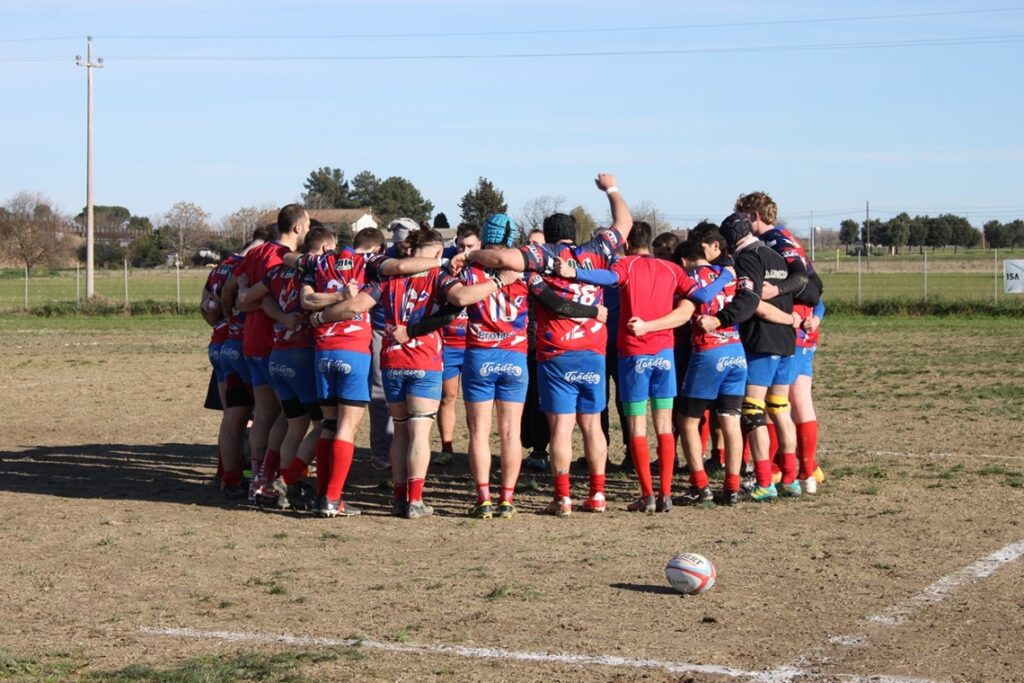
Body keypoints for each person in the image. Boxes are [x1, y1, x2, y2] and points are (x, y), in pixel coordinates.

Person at [465, 173, 632, 517]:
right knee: (593, 425)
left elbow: (503, 262)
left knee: (561, 428)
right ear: (575, 231)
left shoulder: (541, 255)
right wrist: (611, 189)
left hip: (556, 354)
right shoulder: (598, 250)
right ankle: (598, 495)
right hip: (593, 352)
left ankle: (563, 498)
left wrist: (471, 255)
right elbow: (625, 222)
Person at [442, 214, 605, 519]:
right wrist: (592, 311)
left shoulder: (468, 269)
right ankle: (507, 499)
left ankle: (483, 499)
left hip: (479, 354)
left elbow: (450, 308)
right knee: (510, 432)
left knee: (478, 432)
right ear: (511, 239)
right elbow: (557, 303)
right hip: (514, 357)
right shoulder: (525, 271)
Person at [287, 227, 458, 517]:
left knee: (330, 426)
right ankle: (338, 498)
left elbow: (292, 263)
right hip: (362, 352)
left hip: (329, 351)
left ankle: (315, 492)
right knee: (365, 429)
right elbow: (451, 294)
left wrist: (318, 316)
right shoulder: (374, 265)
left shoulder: (320, 262)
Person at [562, 223, 732, 512]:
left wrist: (575, 272)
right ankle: (665, 493)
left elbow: (605, 277)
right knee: (665, 425)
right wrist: (725, 277)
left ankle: (647, 495)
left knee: (637, 426)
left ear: (626, 244)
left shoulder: (626, 265)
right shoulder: (671, 269)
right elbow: (703, 297)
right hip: (665, 356)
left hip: (634, 357)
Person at [695, 212, 803, 502]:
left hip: (762, 341)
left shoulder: (747, 258)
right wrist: (792, 320)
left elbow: (752, 303)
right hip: (786, 344)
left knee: (753, 412)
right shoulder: (775, 254)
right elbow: (800, 288)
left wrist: (719, 319)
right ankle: (791, 479)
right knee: (780, 409)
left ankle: (765, 482)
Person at [222, 204, 310, 501]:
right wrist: (282, 316)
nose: (308, 232)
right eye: (308, 227)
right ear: (298, 227)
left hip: (251, 343)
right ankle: (271, 479)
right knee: (286, 417)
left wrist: (236, 312)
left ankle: (256, 480)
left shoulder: (257, 252)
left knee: (263, 416)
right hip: (273, 342)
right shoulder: (280, 258)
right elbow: (249, 298)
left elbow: (237, 296)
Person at [259, 224, 337, 510]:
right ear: (327, 247)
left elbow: (258, 297)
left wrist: (281, 317)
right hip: (301, 355)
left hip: (277, 355)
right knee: (327, 424)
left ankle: (281, 485)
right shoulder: (319, 271)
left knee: (296, 425)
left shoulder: (280, 270)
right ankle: (288, 480)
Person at [674, 234, 746, 506]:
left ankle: (700, 485)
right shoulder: (728, 273)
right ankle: (731, 487)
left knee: (688, 421)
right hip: (736, 351)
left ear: (684, 261)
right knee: (730, 420)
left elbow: (686, 308)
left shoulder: (691, 278)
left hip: (708, 352)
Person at [200, 228, 271, 497]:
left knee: (233, 415)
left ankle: (227, 476)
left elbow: (206, 309)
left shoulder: (221, 267)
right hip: (244, 344)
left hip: (220, 344)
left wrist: (223, 320)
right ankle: (260, 475)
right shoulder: (252, 264)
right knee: (264, 415)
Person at [438, 225, 480, 456]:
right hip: (449, 344)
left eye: (470, 246)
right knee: (448, 396)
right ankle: (447, 448)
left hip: (475, 343)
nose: (465, 251)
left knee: (476, 402)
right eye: (461, 246)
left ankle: (477, 446)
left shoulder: (487, 267)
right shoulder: (446, 267)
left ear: (479, 245)